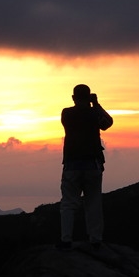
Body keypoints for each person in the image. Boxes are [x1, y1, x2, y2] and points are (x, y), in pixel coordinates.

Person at [58, 84, 113, 250]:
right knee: (93, 202)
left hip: (72, 164)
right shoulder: (94, 113)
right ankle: (95, 239)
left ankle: (66, 239)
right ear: (89, 97)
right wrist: (96, 104)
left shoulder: (66, 113)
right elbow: (108, 123)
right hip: (92, 164)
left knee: (68, 203)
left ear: (73, 98)